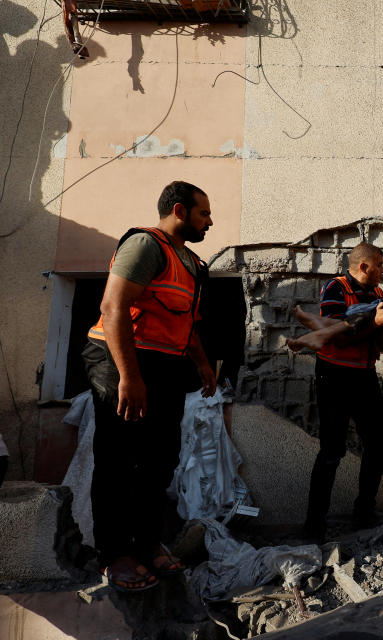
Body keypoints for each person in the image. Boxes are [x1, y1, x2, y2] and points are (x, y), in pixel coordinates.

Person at [83, 181, 216, 592]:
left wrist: (203, 365)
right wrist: (130, 377)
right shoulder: (145, 245)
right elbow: (113, 307)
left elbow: (185, 324)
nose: (210, 222)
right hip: (121, 360)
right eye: (203, 214)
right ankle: (114, 555)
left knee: (161, 458)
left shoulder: (192, 263)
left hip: (165, 366)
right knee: (120, 459)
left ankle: (145, 544)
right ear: (179, 210)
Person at [303, 242, 383, 542]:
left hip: (364, 375)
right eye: (379, 264)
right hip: (334, 376)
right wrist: (375, 322)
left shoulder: (377, 295)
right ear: (364, 267)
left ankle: (364, 514)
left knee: (375, 447)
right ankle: (314, 525)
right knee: (332, 451)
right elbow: (338, 336)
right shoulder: (336, 288)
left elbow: (374, 344)